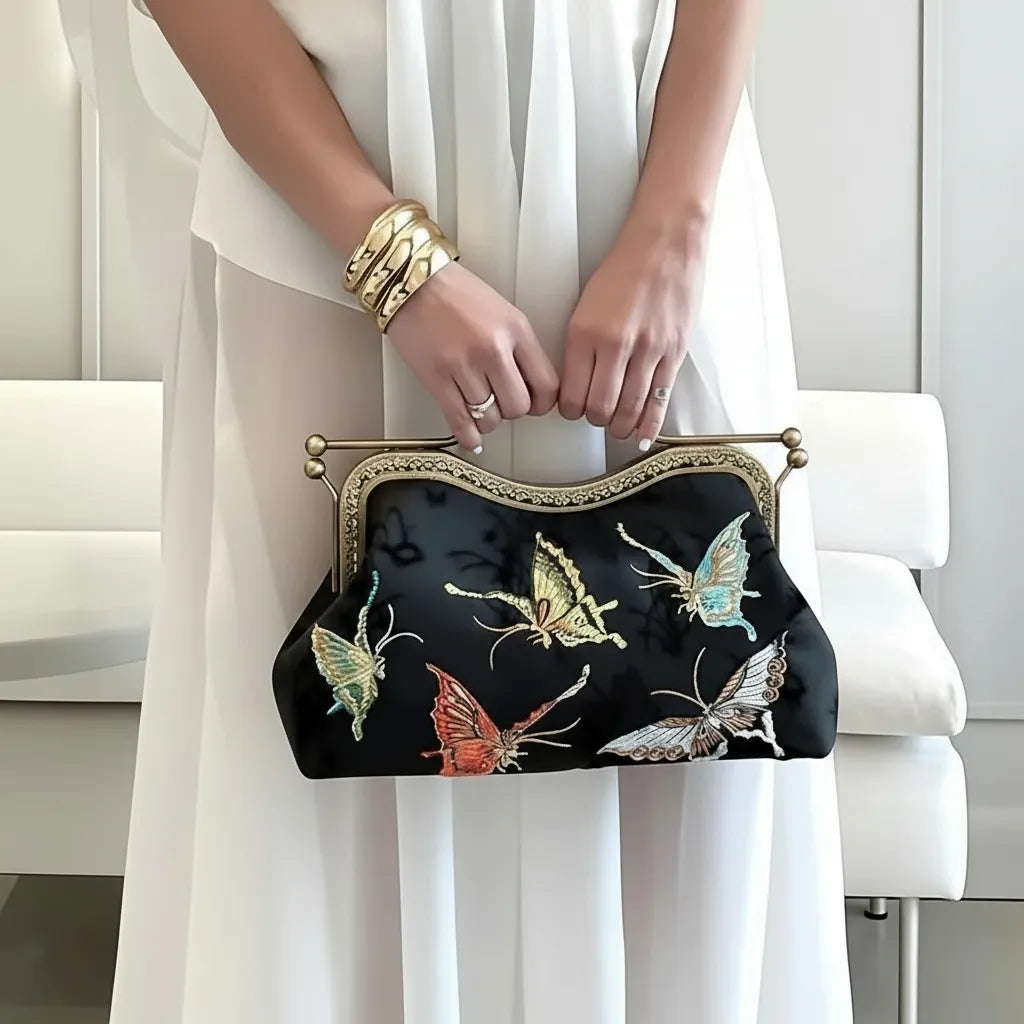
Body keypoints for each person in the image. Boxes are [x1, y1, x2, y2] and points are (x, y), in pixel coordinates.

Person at [61, 1, 853, 1021]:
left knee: (694, 811)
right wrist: (391, 258)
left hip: (648, 165)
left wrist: (672, 226)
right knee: (314, 810)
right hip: (312, 183)